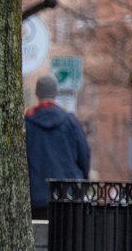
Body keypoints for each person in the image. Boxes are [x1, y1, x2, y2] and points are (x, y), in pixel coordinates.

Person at [25, 74, 90, 220]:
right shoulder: (70, 122)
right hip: (66, 195)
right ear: (55, 93)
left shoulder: (27, 123)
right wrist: (83, 183)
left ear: (37, 94)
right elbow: (84, 154)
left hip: (35, 197)